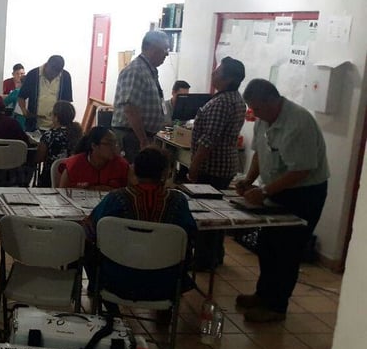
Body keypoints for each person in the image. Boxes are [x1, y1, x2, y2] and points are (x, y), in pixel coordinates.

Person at [234, 79, 329, 323]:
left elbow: (301, 170)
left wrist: (264, 192)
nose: (256, 113)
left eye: (258, 108)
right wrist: (248, 180)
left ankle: (276, 307)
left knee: (287, 252)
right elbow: (259, 153)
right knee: (268, 246)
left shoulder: (298, 123)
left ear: (272, 100)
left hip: (304, 194)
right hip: (277, 188)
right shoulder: (264, 119)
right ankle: (262, 295)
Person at [82, 147, 197, 304]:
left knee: (86, 243)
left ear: (134, 169)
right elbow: (191, 234)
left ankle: (103, 300)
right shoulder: (178, 201)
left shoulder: (116, 198)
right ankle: (167, 311)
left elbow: (90, 229)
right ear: (165, 173)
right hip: (165, 283)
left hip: (117, 280)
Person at [186, 57, 246, 270]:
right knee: (217, 213)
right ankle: (215, 255)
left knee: (206, 215)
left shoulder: (222, 102)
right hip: (225, 165)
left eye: (218, 71)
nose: (213, 73)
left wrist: (194, 166)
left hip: (212, 167)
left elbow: (209, 139)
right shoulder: (236, 99)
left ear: (229, 78)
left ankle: (203, 259)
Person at [112, 31, 172, 160]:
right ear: (152, 48)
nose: (167, 53)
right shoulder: (136, 71)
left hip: (139, 136)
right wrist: (143, 140)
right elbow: (130, 109)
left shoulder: (149, 71)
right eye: (165, 49)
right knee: (133, 176)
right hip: (132, 137)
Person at [60, 126, 131, 190]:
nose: (114, 148)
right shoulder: (75, 164)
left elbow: (131, 192)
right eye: (109, 144)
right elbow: (62, 193)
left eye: (115, 143)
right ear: (94, 146)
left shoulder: (122, 165)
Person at [18, 55, 74, 132]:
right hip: (34, 125)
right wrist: (24, 110)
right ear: (47, 65)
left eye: (56, 74)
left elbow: (67, 102)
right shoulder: (33, 74)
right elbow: (21, 96)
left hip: (56, 126)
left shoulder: (65, 76)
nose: (53, 75)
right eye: (51, 72)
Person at [35, 101, 82, 187]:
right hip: (73, 178)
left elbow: (39, 158)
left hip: (49, 179)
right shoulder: (79, 134)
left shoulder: (49, 135)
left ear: (56, 117)